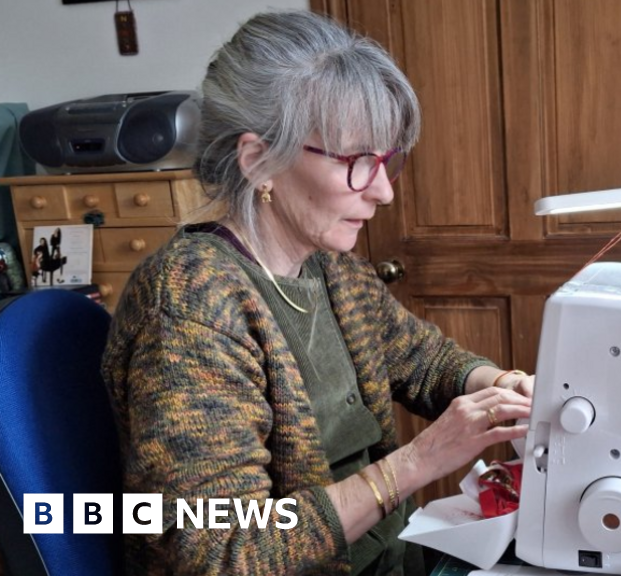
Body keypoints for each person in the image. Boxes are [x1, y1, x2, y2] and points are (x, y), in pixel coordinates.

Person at [102, 10, 533, 575]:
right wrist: (420, 461)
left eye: (386, 161)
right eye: (358, 162)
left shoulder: (332, 268)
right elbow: (222, 548)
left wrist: (507, 389)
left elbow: (424, 360)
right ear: (259, 162)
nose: (383, 192)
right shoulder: (188, 307)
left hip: (392, 556)